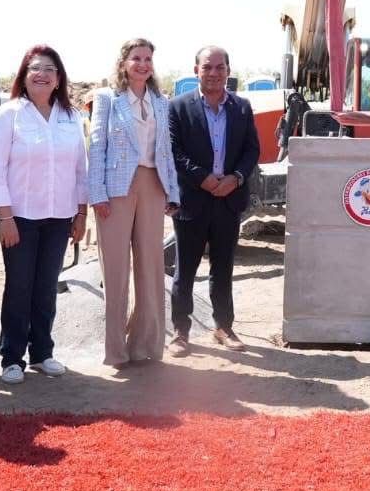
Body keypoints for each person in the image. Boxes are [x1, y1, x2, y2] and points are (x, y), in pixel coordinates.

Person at [0, 45, 88, 385]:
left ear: (59, 79)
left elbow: (80, 169)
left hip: (60, 216)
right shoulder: (8, 114)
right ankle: (12, 357)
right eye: (35, 69)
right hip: (20, 218)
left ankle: (42, 352)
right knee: (19, 286)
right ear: (24, 77)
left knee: (46, 287)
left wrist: (81, 212)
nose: (42, 74)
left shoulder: (71, 117)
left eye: (49, 69)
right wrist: (5, 217)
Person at [87, 38, 182, 367]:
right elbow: (97, 145)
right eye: (136, 58)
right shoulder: (107, 99)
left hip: (153, 184)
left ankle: (146, 345)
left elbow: (166, 150)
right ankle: (116, 351)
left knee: (151, 266)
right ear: (123, 62)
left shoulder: (160, 100)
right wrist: (96, 193)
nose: (143, 64)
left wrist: (173, 191)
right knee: (115, 270)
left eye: (148, 58)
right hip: (115, 188)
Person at [167, 46, 260, 356]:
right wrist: (202, 178)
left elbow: (252, 151)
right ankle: (181, 331)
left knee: (223, 268)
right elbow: (174, 151)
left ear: (228, 71)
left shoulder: (243, 108)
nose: (214, 73)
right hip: (192, 200)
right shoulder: (177, 107)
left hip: (228, 201)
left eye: (220, 67)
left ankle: (223, 327)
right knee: (186, 270)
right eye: (207, 67)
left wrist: (235, 178)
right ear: (197, 70)